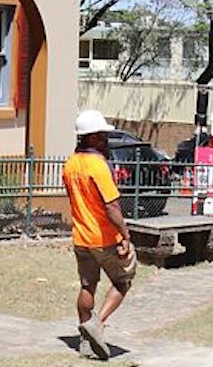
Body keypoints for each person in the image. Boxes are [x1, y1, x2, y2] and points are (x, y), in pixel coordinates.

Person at [63, 110, 135, 361]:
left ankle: (85, 341)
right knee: (122, 280)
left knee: (87, 285)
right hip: (103, 238)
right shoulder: (98, 165)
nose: (106, 139)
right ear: (91, 138)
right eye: (102, 135)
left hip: (81, 237)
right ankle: (97, 323)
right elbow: (111, 206)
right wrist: (125, 234)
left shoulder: (70, 163)